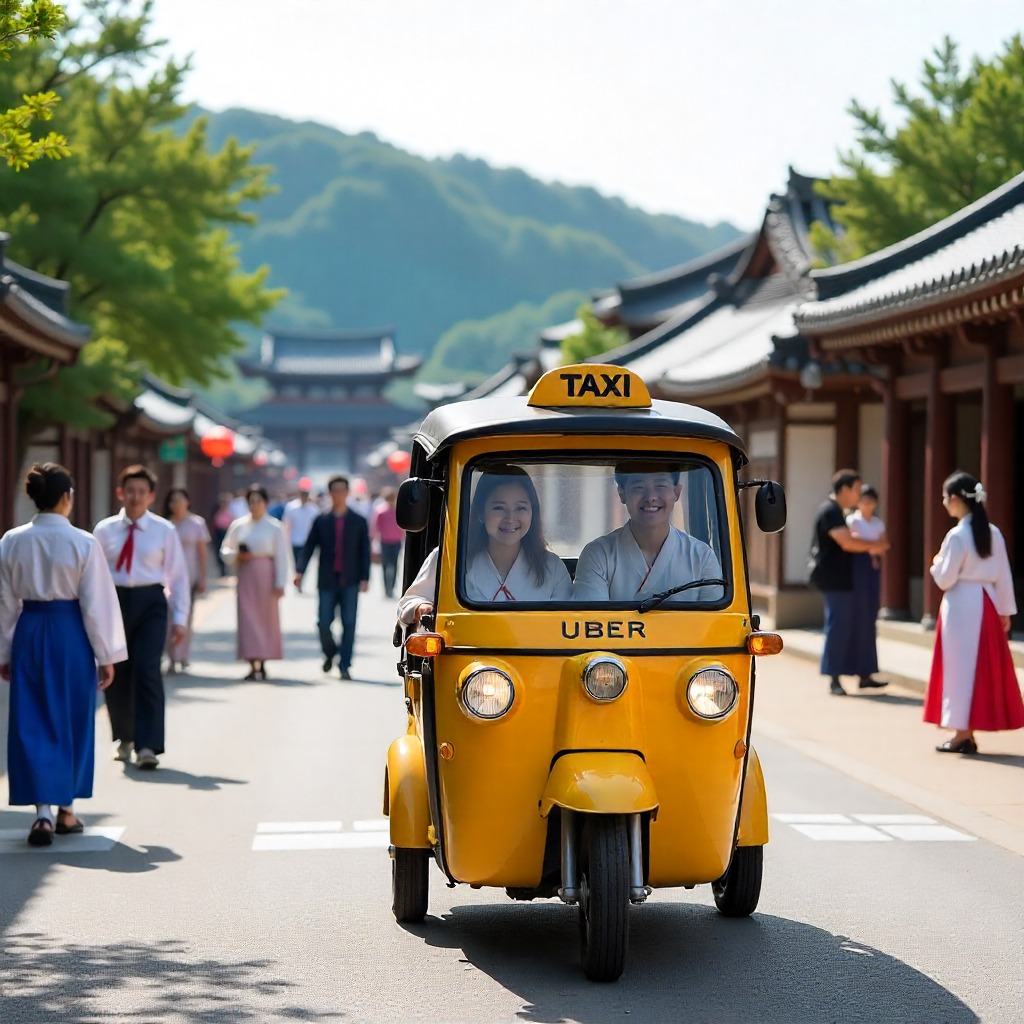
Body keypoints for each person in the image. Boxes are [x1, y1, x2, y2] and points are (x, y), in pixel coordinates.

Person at [0, 464, 127, 846]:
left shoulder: (11, 541)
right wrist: (106, 654)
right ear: (66, 497)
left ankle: (42, 814)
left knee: (32, 720)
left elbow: (5, 602)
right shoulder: (83, 542)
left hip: (29, 629)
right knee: (71, 718)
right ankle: (66, 809)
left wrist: (4, 650)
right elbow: (95, 604)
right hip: (71, 633)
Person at [94, 465, 190, 770]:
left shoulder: (164, 530)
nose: (135, 497)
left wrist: (180, 618)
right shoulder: (104, 530)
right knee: (117, 670)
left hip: (151, 603)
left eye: (141, 492)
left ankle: (148, 745)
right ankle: (124, 737)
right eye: (130, 491)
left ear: (151, 496)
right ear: (120, 493)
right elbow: (93, 576)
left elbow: (178, 576)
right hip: (114, 603)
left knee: (147, 669)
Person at [924, 471, 1023, 754]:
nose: (944, 503)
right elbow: (1003, 575)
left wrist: (936, 563)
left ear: (956, 499)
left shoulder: (957, 535)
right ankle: (966, 731)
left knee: (958, 668)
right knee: (979, 668)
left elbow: (945, 579)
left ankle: (961, 733)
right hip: (987, 602)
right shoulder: (994, 533)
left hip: (960, 605)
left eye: (945, 498)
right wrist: (1005, 611)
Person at [399, 467, 572, 625]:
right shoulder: (448, 558)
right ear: (480, 513)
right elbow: (410, 601)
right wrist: (421, 607)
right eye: (499, 508)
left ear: (532, 513)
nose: (510, 518)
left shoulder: (552, 567)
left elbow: (568, 624)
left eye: (521, 508)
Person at [572, 463, 722, 604]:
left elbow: (716, 621)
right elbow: (592, 620)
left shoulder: (702, 557)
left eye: (660, 486)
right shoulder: (598, 554)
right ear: (621, 493)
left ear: (677, 492)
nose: (651, 497)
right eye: (639, 487)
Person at [811, 469, 890, 696]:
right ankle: (834, 678)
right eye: (856, 489)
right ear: (844, 489)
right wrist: (875, 545)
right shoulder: (830, 511)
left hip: (849, 579)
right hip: (836, 579)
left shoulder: (838, 511)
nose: (859, 495)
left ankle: (865, 673)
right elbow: (847, 542)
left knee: (863, 624)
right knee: (839, 627)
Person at [295, 475, 370, 679]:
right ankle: (330, 652)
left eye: (342, 490)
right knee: (323, 623)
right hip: (327, 580)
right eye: (334, 491)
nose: (338, 494)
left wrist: (365, 577)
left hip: (350, 580)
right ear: (329, 493)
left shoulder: (358, 521)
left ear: (347, 493)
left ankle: (345, 664)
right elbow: (309, 547)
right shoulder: (321, 520)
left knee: (349, 622)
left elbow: (364, 551)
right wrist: (300, 571)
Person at [220, 484, 290, 681]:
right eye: (251, 502)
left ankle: (264, 660)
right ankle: (251, 662)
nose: (255, 505)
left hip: (266, 576)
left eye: (259, 501)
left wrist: (280, 582)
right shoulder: (239, 525)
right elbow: (226, 549)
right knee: (247, 619)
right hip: (246, 575)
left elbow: (281, 556)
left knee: (266, 619)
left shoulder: (275, 527)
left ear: (265, 503)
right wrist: (237, 555)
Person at [845, 484, 889, 689]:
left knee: (869, 618)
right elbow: (851, 543)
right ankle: (848, 670)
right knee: (855, 618)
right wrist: (871, 545)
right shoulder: (852, 520)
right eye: (864, 501)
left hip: (872, 569)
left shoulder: (878, 523)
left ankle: (866, 672)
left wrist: (866, 545)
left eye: (871, 502)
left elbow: (884, 545)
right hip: (856, 569)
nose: (868, 505)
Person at [162, 487, 210, 674]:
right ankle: (171, 656)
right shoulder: (165, 525)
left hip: (190, 576)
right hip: (168, 578)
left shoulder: (197, 524)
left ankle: (182, 654)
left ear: (187, 502)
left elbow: (202, 554)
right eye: (173, 500)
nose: (177, 504)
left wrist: (203, 577)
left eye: (180, 500)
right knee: (168, 617)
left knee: (185, 616)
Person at [282, 481, 321, 591]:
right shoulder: (291, 507)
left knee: (305, 563)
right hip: (295, 540)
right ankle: (298, 580)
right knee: (296, 562)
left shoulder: (314, 510)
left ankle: (301, 579)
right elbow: (286, 524)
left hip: (308, 542)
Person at [370, 487, 405, 599]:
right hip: (387, 541)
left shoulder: (394, 511)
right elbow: (375, 528)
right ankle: (388, 589)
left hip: (392, 541)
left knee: (391, 565)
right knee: (388, 565)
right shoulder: (383, 511)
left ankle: (390, 588)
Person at [211, 493, 234, 577]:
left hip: (226, 534)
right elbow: (213, 524)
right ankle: (221, 570)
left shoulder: (230, 513)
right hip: (218, 534)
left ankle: (226, 569)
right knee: (218, 552)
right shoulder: (217, 513)